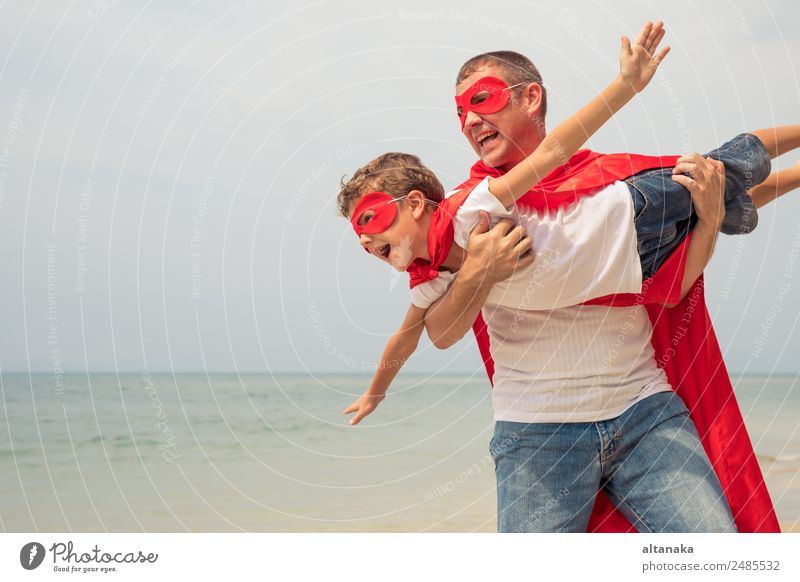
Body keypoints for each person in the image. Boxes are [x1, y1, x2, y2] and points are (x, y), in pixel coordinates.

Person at [342, 22, 792, 532]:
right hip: (538, 437)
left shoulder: (588, 180)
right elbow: (436, 332)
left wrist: (707, 217)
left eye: (481, 100)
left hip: (645, 410)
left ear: (530, 98)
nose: (469, 121)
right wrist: (479, 275)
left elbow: (672, 286)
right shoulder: (471, 219)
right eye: (460, 113)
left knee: (724, 179)